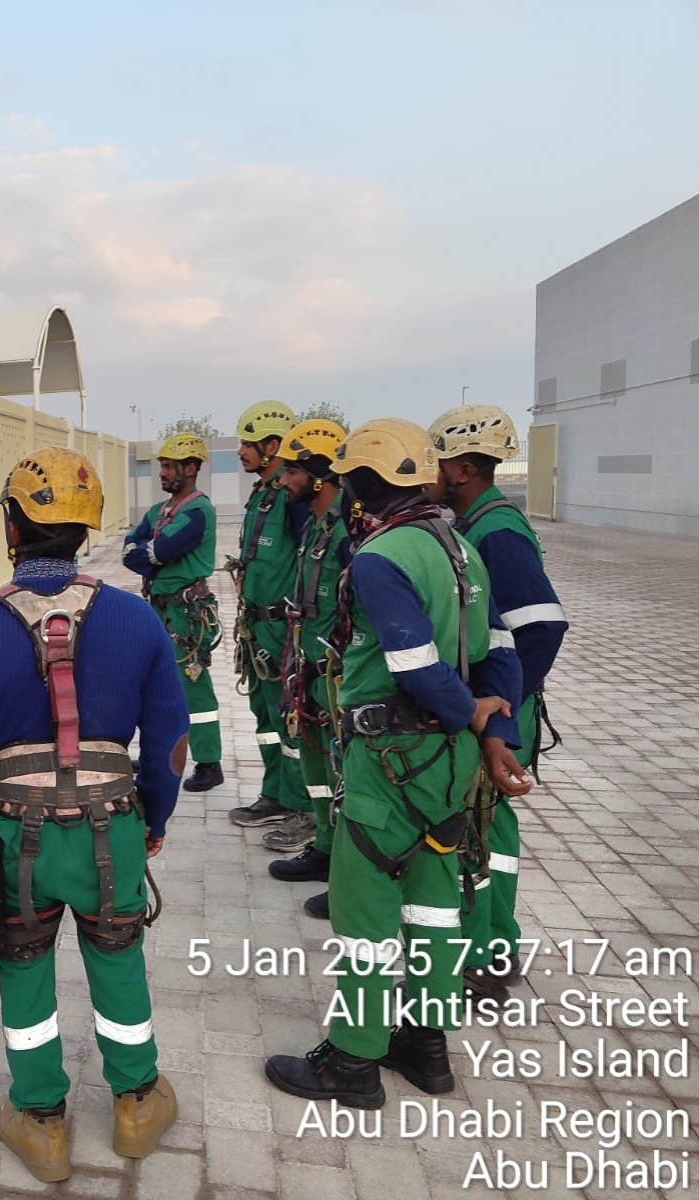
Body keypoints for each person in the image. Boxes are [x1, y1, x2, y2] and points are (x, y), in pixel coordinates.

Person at [0, 447, 188, 1182]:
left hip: (13, 838)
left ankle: (41, 1121)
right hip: (112, 828)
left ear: (13, 525)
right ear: (86, 527)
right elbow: (170, 743)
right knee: (118, 958)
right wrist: (156, 820)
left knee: (24, 967)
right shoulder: (135, 618)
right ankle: (137, 1105)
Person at [264, 418, 526, 1108]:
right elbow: (501, 647)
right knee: (434, 902)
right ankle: (426, 1045)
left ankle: (353, 1060)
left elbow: (413, 662)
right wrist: (493, 727)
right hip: (449, 765)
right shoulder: (459, 547)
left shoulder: (382, 556)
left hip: (391, 759)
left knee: (366, 907)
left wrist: (471, 713)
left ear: (359, 486)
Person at [429, 404, 569, 1001]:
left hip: (499, 710)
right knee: (483, 825)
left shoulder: (497, 533)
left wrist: (500, 704)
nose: (429, 472)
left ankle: (486, 957)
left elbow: (543, 626)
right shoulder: (473, 523)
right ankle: (488, 943)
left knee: (484, 828)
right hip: (492, 706)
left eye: (437, 462)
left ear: (462, 469)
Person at [266, 421, 351, 907]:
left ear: (320, 476)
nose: (283, 481)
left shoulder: (347, 531)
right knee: (316, 767)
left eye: (292, 472)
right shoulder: (315, 525)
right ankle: (324, 845)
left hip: (336, 677)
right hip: (310, 671)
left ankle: (347, 871)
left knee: (343, 774)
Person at [123, 432, 223, 792]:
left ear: (191, 468)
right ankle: (155, 755)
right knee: (154, 683)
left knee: (193, 686)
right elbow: (129, 551)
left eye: (169, 466)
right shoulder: (158, 511)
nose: (162, 472)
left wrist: (151, 553)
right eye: (162, 465)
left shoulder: (198, 511)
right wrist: (150, 553)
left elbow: (161, 550)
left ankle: (209, 763)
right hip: (159, 608)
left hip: (186, 614)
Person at [226, 401, 309, 827]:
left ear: (273, 446)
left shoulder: (293, 500)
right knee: (265, 715)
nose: (241, 451)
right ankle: (274, 793)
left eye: (248, 443)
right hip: (256, 626)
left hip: (282, 628)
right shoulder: (262, 495)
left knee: (289, 715)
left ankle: (301, 804)